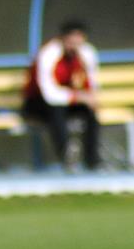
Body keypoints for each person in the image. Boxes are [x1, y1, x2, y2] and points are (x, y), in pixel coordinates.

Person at [22, 20, 101, 171]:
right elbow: (49, 93)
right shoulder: (48, 53)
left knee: (90, 113)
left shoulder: (86, 53)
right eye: (71, 42)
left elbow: (92, 82)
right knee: (56, 110)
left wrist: (90, 98)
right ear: (62, 39)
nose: (74, 47)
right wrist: (79, 97)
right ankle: (66, 156)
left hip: (68, 101)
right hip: (38, 103)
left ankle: (93, 161)